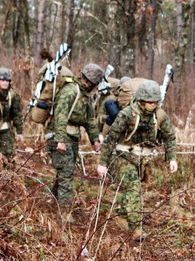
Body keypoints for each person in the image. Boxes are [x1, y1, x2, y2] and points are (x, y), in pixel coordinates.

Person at [97, 80, 177, 239]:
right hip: (123, 157)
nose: (153, 105)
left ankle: (122, 215)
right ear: (141, 99)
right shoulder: (127, 114)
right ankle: (136, 230)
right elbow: (111, 138)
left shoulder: (160, 115)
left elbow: (169, 136)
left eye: (156, 102)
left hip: (142, 159)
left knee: (131, 191)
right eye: (149, 102)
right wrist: (102, 163)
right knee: (134, 191)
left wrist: (172, 158)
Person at [49, 63, 103, 217]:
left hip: (72, 137)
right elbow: (60, 115)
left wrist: (94, 140)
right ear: (92, 82)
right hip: (60, 135)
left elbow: (90, 120)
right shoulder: (70, 91)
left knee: (65, 171)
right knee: (67, 172)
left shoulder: (86, 95)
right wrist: (60, 140)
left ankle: (54, 201)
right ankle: (64, 212)